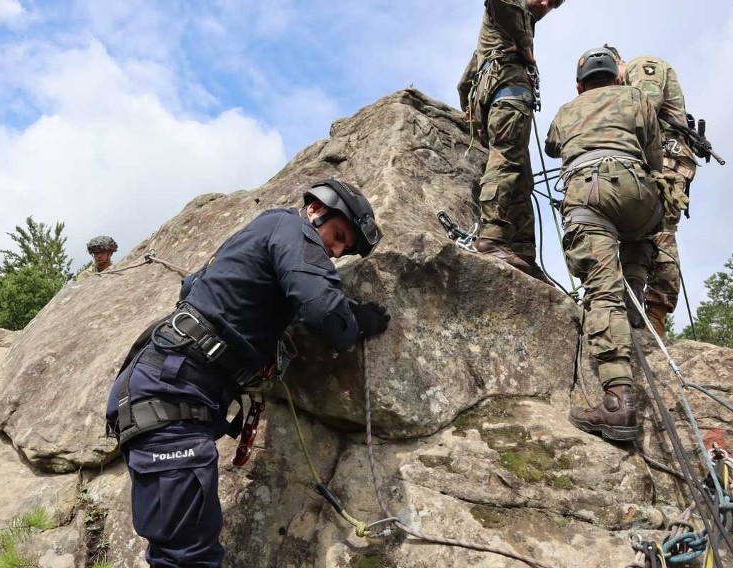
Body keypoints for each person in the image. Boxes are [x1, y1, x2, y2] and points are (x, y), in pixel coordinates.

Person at [105, 179, 391, 566]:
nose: (336, 251)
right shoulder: (292, 229)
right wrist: (358, 320)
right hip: (169, 398)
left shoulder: (260, 233)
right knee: (187, 557)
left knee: (183, 553)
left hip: (170, 392)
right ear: (315, 210)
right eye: (339, 236)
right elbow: (323, 310)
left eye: (344, 250)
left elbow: (194, 288)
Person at [544, 47, 665, 441]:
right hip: (636, 188)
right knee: (643, 235)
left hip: (587, 192)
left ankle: (618, 401)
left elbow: (551, 146)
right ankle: (632, 301)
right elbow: (654, 157)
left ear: (579, 85)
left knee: (601, 292)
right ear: (617, 77)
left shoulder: (565, 111)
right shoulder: (637, 98)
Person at [456, 0, 566, 282]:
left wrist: (473, 118)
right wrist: (526, 47)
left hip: (501, 98)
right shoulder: (511, 11)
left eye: (552, 4)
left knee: (521, 175)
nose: (545, 5)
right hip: (509, 95)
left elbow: (465, 82)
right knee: (506, 162)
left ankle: (523, 250)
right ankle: (492, 234)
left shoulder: (497, 34)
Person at [605, 45, 697, 337]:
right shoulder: (625, 80)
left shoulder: (642, 65)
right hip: (649, 157)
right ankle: (631, 302)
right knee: (639, 230)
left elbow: (645, 106)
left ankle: (656, 312)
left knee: (661, 230)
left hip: (667, 157)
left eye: (611, 77)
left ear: (618, 63)